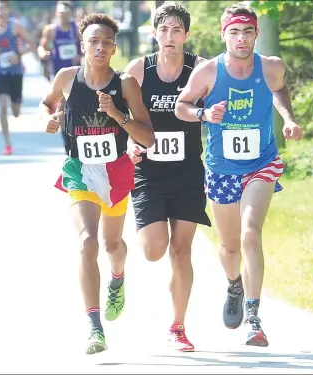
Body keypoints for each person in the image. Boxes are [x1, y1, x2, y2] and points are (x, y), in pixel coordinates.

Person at [175, 2, 303, 347]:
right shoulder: (208, 73)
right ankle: (234, 284)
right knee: (229, 247)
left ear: (256, 35)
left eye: (248, 32)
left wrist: (288, 118)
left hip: (261, 163)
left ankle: (254, 318)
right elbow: (181, 106)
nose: (241, 38)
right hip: (221, 168)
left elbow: (279, 90)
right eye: (234, 32)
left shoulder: (271, 66)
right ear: (224, 35)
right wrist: (204, 114)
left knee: (249, 234)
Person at [40, 13, 155, 354]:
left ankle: (117, 278)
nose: (100, 47)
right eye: (94, 41)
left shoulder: (125, 85)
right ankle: (94, 326)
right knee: (88, 241)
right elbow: (47, 104)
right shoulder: (66, 78)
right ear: (82, 45)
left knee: (112, 245)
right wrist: (49, 119)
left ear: (114, 47)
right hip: (79, 169)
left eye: (106, 42)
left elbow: (147, 137)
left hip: (115, 170)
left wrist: (118, 115)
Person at [124, 2, 211, 352]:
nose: (170, 37)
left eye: (177, 30)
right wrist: (129, 144)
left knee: (181, 250)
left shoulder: (200, 69)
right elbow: (118, 116)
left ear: (186, 35)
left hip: (188, 171)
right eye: (164, 30)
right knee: (154, 251)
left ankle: (178, 326)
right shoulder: (138, 70)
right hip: (149, 173)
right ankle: (120, 270)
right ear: (154, 33)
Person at [0, 0, 35, 155]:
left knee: (16, 111)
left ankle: (17, 102)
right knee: (2, 107)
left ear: (8, 10)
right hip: (0, 73)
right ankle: (8, 144)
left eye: (4, 8)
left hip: (15, 72)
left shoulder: (15, 26)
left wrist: (18, 55)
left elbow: (31, 43)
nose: (1, 12)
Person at [38, 1, 81, 80]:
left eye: (66, 12)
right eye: (61, 12)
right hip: (57, 70)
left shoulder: (78, 28)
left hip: (75, 70)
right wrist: (43, 54)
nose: (63, 15)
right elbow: (42, 47)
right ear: (56, 13)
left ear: (71, 13)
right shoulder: (51, 30)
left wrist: (80, 55)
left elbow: (86, 47)